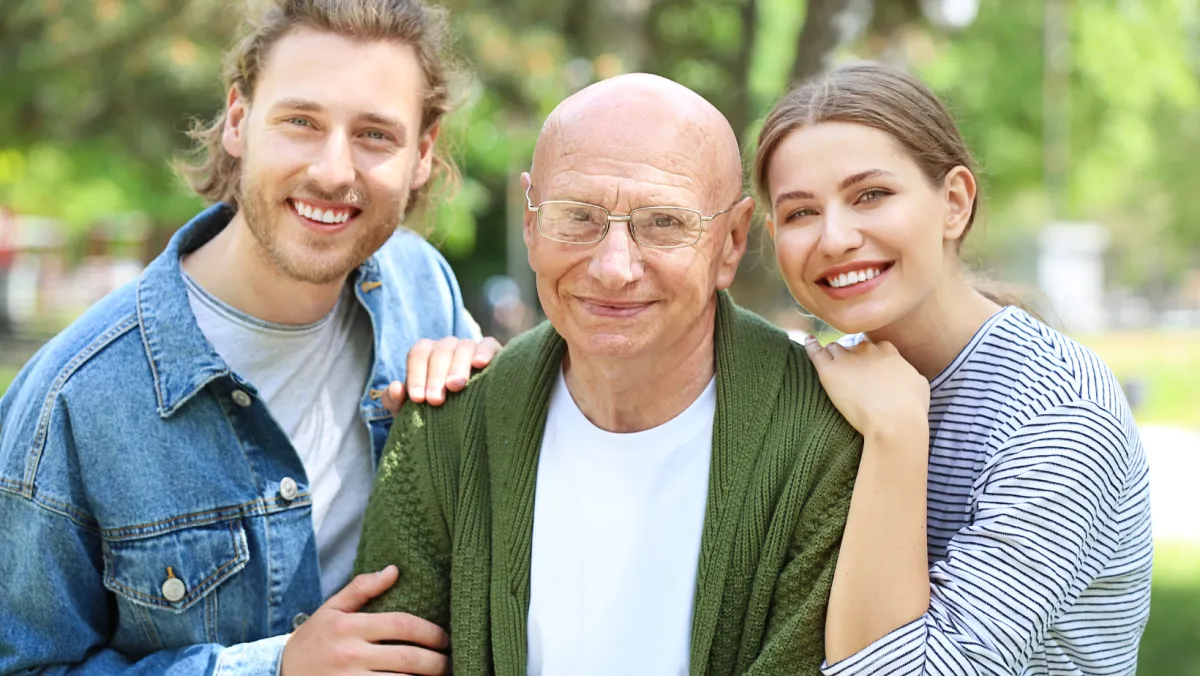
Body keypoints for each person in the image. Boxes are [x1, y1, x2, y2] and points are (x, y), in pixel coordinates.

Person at [0, 0, 499, 673]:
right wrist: (274, 667)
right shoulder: (73, 400)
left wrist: (491, 382)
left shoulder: (424, 291)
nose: (332, 171)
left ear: (422, 154)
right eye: (301, 121)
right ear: (239, 120)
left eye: (375, 135)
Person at [355, 73, 863, 675]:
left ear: (730, 242)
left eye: (664, 223)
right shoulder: (446, 430)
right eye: (577, 216)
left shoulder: (826, 437)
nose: (614, 267)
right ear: (530, 221)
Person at [752, 62, 1153, 674]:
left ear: (954, 203)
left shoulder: (1061, 414)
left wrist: (897, 434)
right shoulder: (826, 380)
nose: (834, 238)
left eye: (871, 195)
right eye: (800, 212)